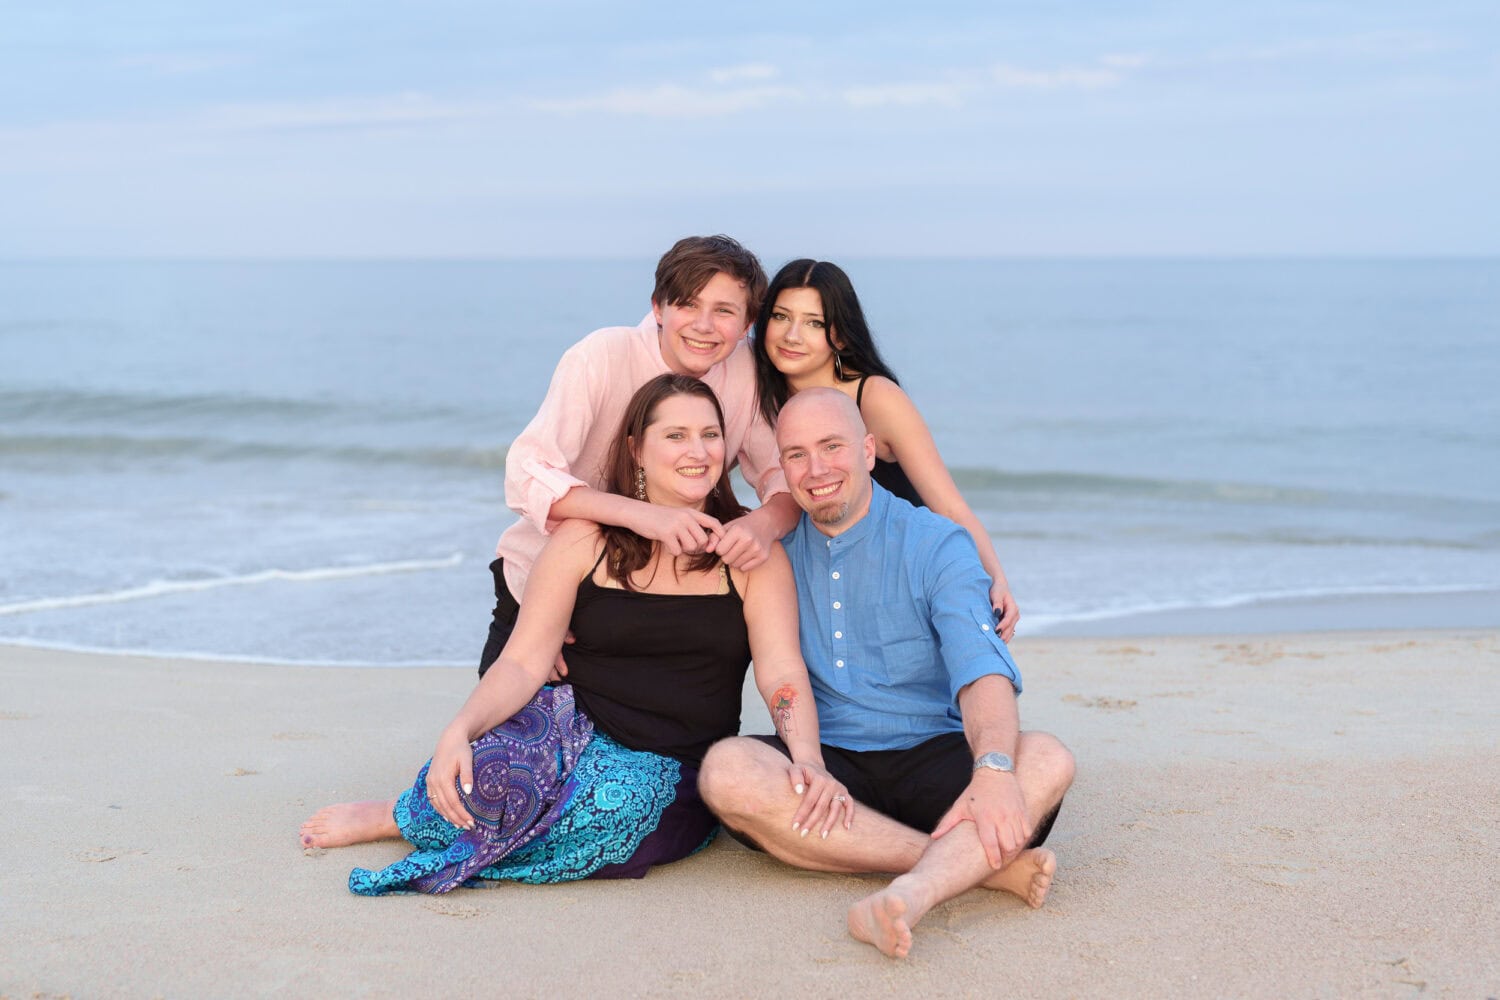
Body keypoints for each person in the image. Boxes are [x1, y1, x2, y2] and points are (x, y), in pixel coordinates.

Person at [301, 376, 847, 893]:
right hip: (567, 725)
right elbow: (522, 663)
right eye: (675, 435)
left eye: (710, 435)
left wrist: (808, 758)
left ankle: (438, 827)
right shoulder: (585, 540)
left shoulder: (749, 552)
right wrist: (458, 729)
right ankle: (400, 814)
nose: (697, 451)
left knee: (615, 812)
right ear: (637, 449)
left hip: (670, 761)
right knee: (482, 772)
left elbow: (781, 670)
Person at [697, 388, 1075, 958]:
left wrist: (994, 769)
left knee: (1047, 758)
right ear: (780, 469)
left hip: (934, 756)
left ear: (869, 450)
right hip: (829, 766)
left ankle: (913, 892)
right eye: (796, 454)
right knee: (726, 770)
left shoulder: (936, 543)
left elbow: (981, 671)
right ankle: (974, 866)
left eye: (832, 447)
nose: (816, 469)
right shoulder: (772, 549)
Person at [483, 235, 801, 676]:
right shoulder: (603, 356)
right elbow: (527, 475)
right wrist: (640, 515)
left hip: (645, 608)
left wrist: (763, 525)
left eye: (725, 311)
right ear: (658, 307)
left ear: (748, 322)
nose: (704, 326)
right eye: (688, 304)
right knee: (508, 736)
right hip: (541, 583)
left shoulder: (747, 372)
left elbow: (786, 478)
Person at [751, 259, 1019, 640]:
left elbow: (948, 505)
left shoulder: (875, 398)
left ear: (840, 337)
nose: (792, 335)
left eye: (813, 322)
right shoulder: (762, 396)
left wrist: (996, 578)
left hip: (905, 572)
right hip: (830, 577)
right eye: (781, 316)